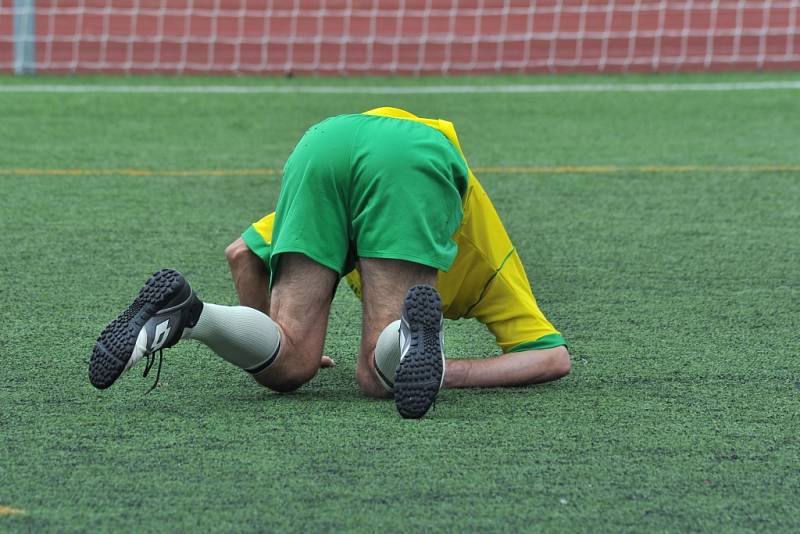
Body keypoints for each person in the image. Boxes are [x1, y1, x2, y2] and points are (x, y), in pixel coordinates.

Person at [89, 107, 571, 419]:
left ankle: (188, 315)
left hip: (325, 141)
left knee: (289, 367)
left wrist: (273, 349)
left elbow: (241, 254)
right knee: (374, 378)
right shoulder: (491, 264)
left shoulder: (352, 185)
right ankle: (407, 343)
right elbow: (552, 355)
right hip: (412, 159)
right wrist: (446, 369)